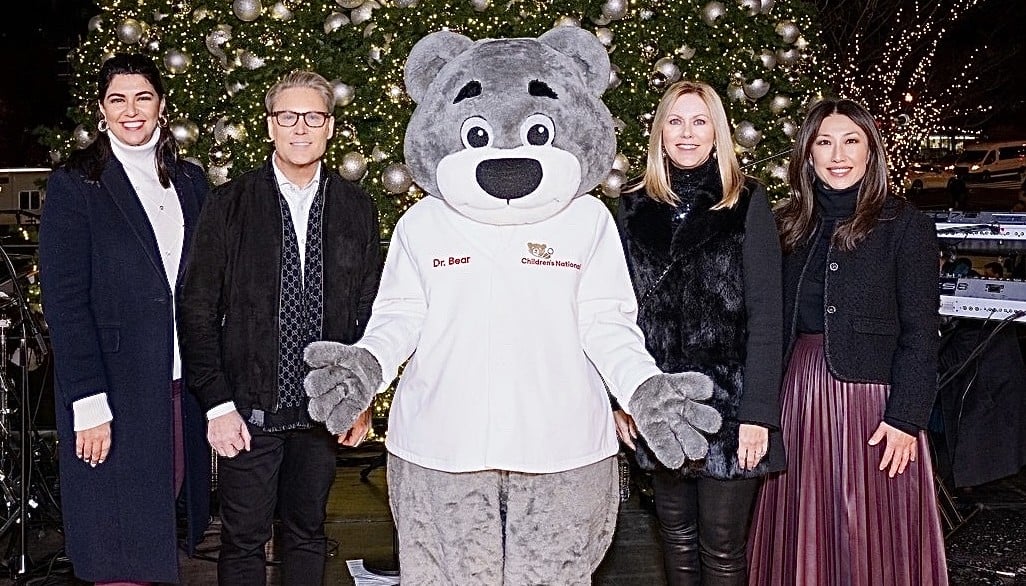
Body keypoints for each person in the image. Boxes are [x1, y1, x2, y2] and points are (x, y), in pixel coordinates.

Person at [177, 70, 381, 585]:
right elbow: (196, 306)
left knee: (308, 534)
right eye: (287, 117)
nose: (299, 128)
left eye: (313, 117)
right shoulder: (229, 204)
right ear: (270, 126)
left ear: (330, 127)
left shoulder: (357, 207)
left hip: (322, 412)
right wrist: (217, 404)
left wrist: (358, 397)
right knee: (243, 542)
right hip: (247, 411)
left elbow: (368, 309)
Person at [747, 98, 948, 585]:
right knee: (806, 531)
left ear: (870, 152)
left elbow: (922, 332)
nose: (838, 155)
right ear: (808, 155)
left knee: (870, 535)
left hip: (877, 409)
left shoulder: (905, 225)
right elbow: (770, 325)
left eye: (851, 141)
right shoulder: (787, 225)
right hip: (799, 400)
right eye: (825, 142)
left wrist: (905, 417)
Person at [39, 53, 211, 584]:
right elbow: (65, 303)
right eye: (118, 99)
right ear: (101, 109)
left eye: (143, 97)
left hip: (180, 386)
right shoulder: (75, 184)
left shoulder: (190, 181)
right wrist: (88, 402)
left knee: (165, 521)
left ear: (161, 105)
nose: (131, 111)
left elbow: (206, 284)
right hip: (112, 392)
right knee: (117, 540)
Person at [613, 80, 784, 585]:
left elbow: (767, 315)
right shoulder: (630, 207)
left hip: (730, 404)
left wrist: (757, 414)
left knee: (723, 549)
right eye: (675, 121)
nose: (687, 134)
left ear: (718, 133)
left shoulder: (747, 202)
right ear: (659, 132)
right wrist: (623, 398)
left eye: (699, 121)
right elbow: (616, 314)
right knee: (676, 540)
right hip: (661, 400)